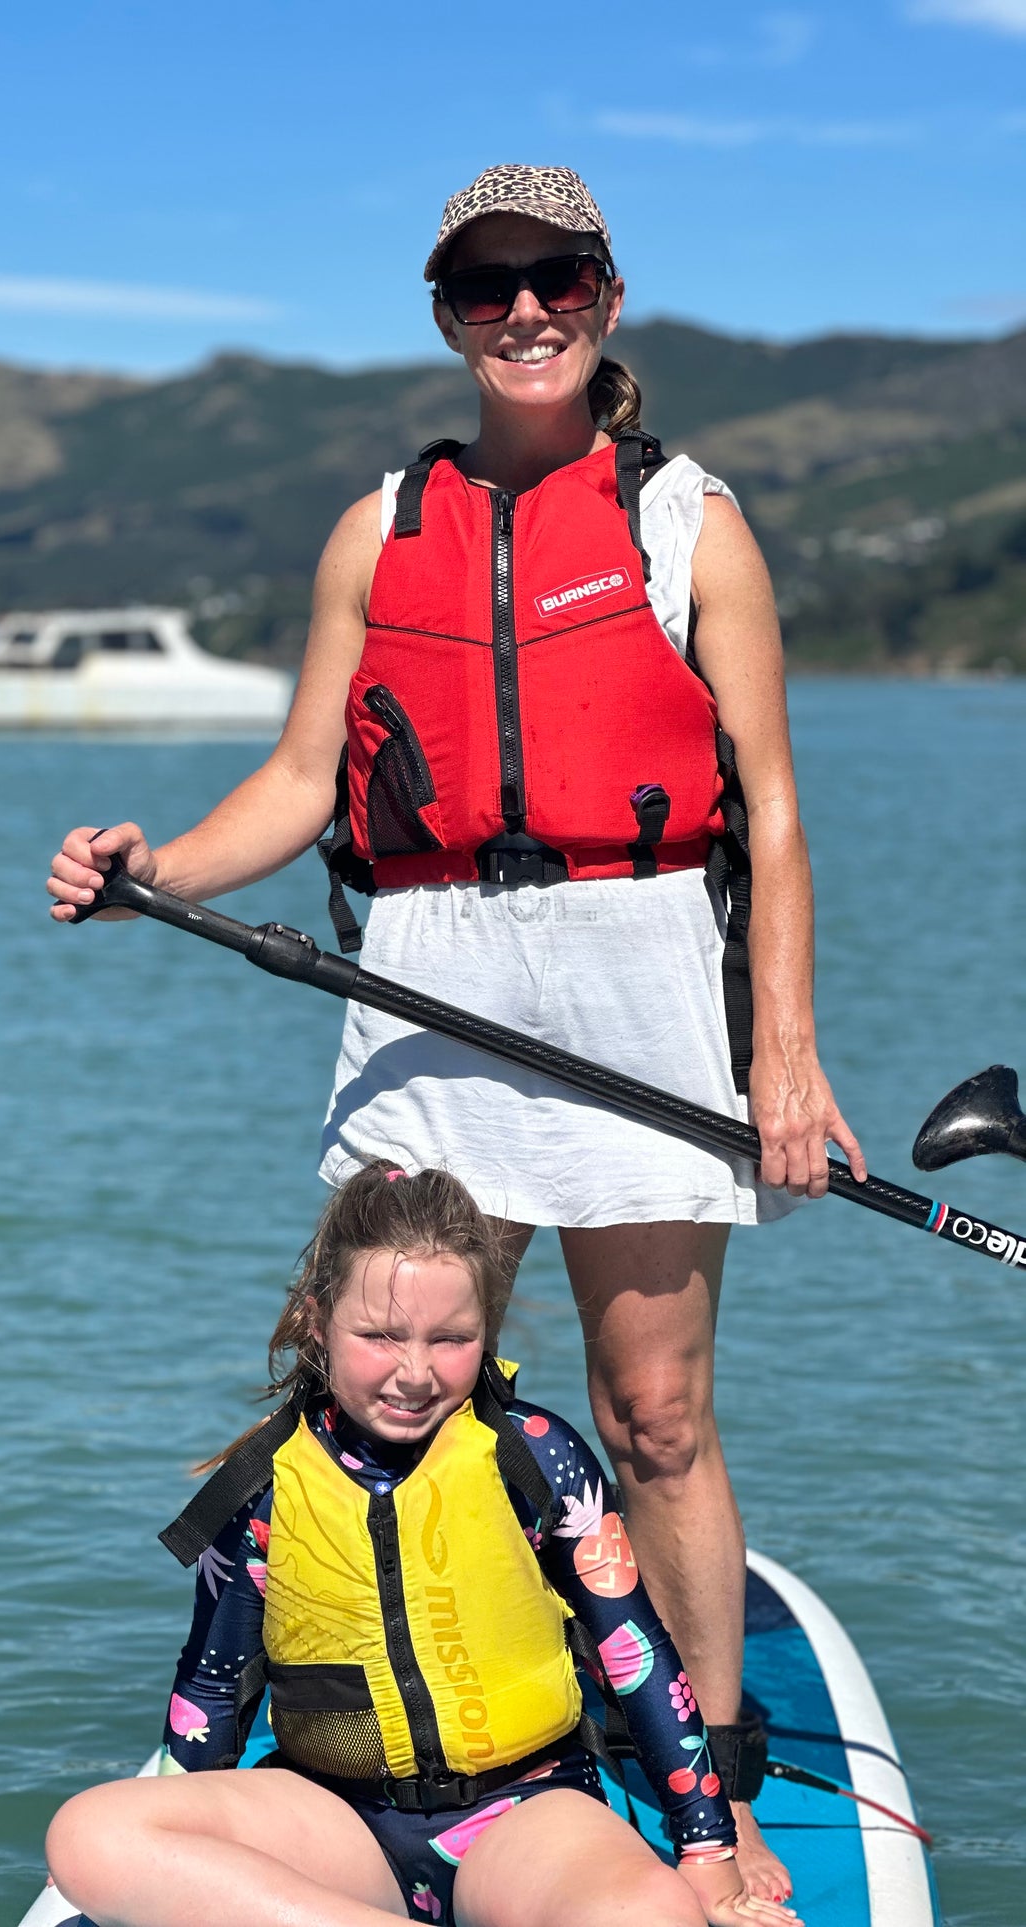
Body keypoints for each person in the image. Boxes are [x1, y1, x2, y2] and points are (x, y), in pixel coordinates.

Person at [47, 163, 866, 1903]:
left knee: (651, 1415)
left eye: (552, 277)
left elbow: (775, 813)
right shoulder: (377, 527)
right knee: (405, 1387)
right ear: (442, 311)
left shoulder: (690, 523)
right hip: (426, 985)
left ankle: (704, 1770)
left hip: (640, 977)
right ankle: (394, 1740)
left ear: (608, 295)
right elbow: (295, 778)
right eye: (483, 286)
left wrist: (786, 1058)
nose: (521, 312)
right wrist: (151, 867)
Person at [46, 1164, 801, 1927]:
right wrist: (185, 1859)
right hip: (333, 1824)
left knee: (653, 1916)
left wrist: (707, 1853)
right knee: (90, 1836)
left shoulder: (536, 1457)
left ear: (487, 1329)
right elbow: (210, 1694)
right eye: (378, 1335)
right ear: (317, 1321)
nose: (414, 1372)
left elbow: (637, 1658)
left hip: (524, 1815)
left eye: (450, 1339)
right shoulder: (265, 1486)